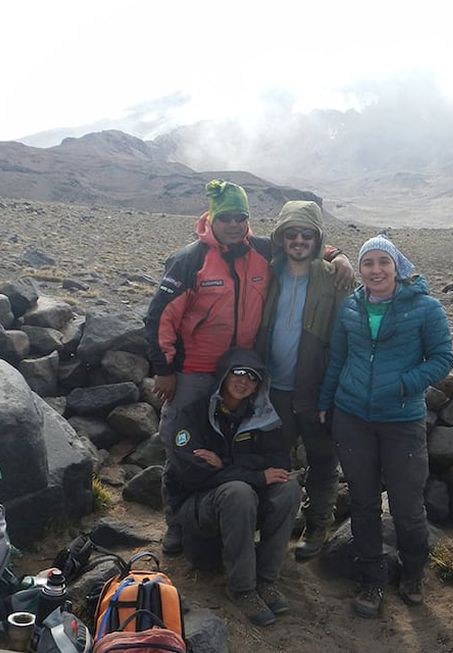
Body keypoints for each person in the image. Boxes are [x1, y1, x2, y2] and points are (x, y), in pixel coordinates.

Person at [145, 179, 352, 554]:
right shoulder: (190, 259)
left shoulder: (261, 251)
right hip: (196, 372)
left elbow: (306, 243)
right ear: (211, 217)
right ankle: (179, 522)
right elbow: (159, 315)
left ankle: (251, 521)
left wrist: (339, 256)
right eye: (226, 216)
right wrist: (164, 368)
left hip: (243, 377)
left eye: (241, 216)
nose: (235, 224)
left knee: (254, 450)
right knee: (182, 445)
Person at [317, 235, 453, 618]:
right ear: (359, 270)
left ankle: (412, 573)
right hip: (352, 418)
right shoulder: (350, 308)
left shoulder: (426, 308)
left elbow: (443, 358)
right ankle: (371, 579)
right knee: (362, 503)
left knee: (408, 506)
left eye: (383, 262)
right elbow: (337, 360)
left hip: (402, 421)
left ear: (397, 266)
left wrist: (405, 384)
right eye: (368, 263)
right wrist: (327, 402)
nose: (376, 270)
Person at [164, 347, 300, 626]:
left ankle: (265, 579)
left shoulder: (264, 419)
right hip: (199, 511)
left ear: (259, 385)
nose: (243, 381)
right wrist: (253, 473)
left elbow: (278, 464)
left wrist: (224, 464)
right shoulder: (194, 414)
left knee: (289, 488)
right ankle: (242, 588)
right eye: (238, 372)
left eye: (252, 377)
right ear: (224, 376)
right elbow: (192, 473)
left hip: (244, 505)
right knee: (238, 491)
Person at [254, 200, 347, 560]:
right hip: (272, 388)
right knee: (273, 459)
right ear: (280, 237)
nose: (298, 240)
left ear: (317, 238)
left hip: (316, 389)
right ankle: (270, 526)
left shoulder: (333, 277)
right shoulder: (267, 271)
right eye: (290, 233)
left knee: (323, 459)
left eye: (306, 234)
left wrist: (331, 392)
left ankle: (318, 525)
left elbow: (344, 338)